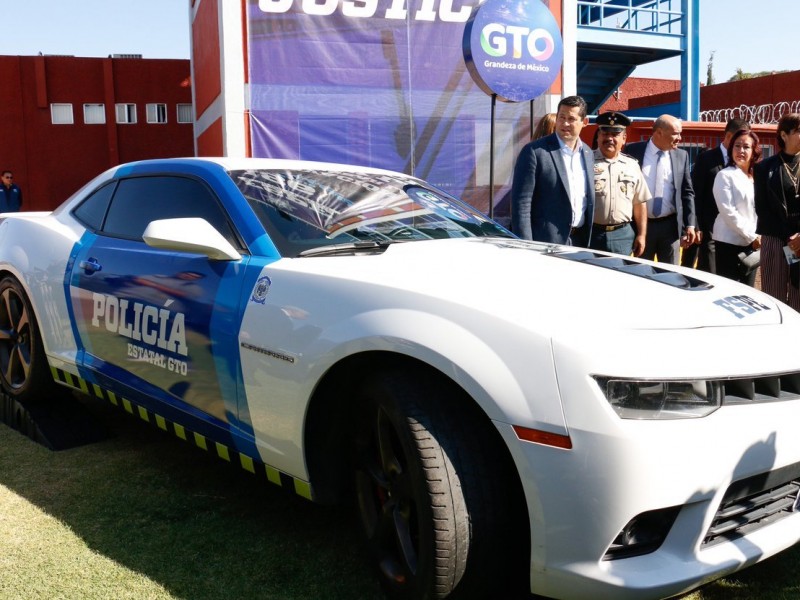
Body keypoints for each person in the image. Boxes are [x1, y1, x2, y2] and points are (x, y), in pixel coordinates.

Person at [511, 96, 595, 247]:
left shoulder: (588, 153)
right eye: (561, 117)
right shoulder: (535, 152)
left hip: (580, 242)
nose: (565, 123)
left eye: (571, 118)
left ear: (585, 122)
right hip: (545, 243)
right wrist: (526, 245)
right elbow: (521, 204)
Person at [625, 115, 697, 264]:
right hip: (641, 227)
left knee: (670, 275)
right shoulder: (632, 151)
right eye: (675, 133)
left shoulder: (681, 156)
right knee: (640, 273)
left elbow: (687, 192)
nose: (679, 138)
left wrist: (690, 224)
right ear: (659, 133)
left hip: (670, 228)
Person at [685, 118, 751, 273]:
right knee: (710, 272)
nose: (741, 147)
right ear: (728, 136)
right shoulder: (707, 159)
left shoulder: (745, 162)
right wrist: (695, 224)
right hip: (710, 231)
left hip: (737, 232)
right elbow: (696, 193)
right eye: (737, 141)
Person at [755, 112, 800, 310]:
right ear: (784, 135)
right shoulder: (765, 168)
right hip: (775, 239)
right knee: (774, 298)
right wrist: (790, 238)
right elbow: (762, 209)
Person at [589, 111, 649, 256]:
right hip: (592, 233)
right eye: (605, 133)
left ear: (624, 139)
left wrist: (641, 235)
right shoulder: (585, 162)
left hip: (623, 235)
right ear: (598, 136)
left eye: (615, 134)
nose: (609, 138)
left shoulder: (632, 165)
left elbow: (639, 203)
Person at [712, 129, 762, 286]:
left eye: (746, 147)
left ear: (754, 151)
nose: (741, 150)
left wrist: (760, 235)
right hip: (729, 244)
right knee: (729, 291)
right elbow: (728, 211)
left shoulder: (757, 176)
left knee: (749, 291)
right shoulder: (725, 175)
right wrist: (751, 236)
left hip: (753, 245)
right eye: (737, 146)